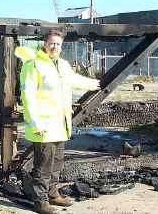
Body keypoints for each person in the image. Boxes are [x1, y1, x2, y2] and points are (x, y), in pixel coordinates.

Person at [19, 29, 100, 214]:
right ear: (44, 44)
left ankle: (53, 194)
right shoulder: (33, 65)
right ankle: (40, 202)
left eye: (58, 44)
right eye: (52, 43)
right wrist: (35, 123)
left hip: (60, 124)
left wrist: (93, 83)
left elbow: (73, 79)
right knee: (43, 166)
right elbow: (28, 96)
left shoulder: (62, 64)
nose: (55, 47)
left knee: (56, 162)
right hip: (43, 126)